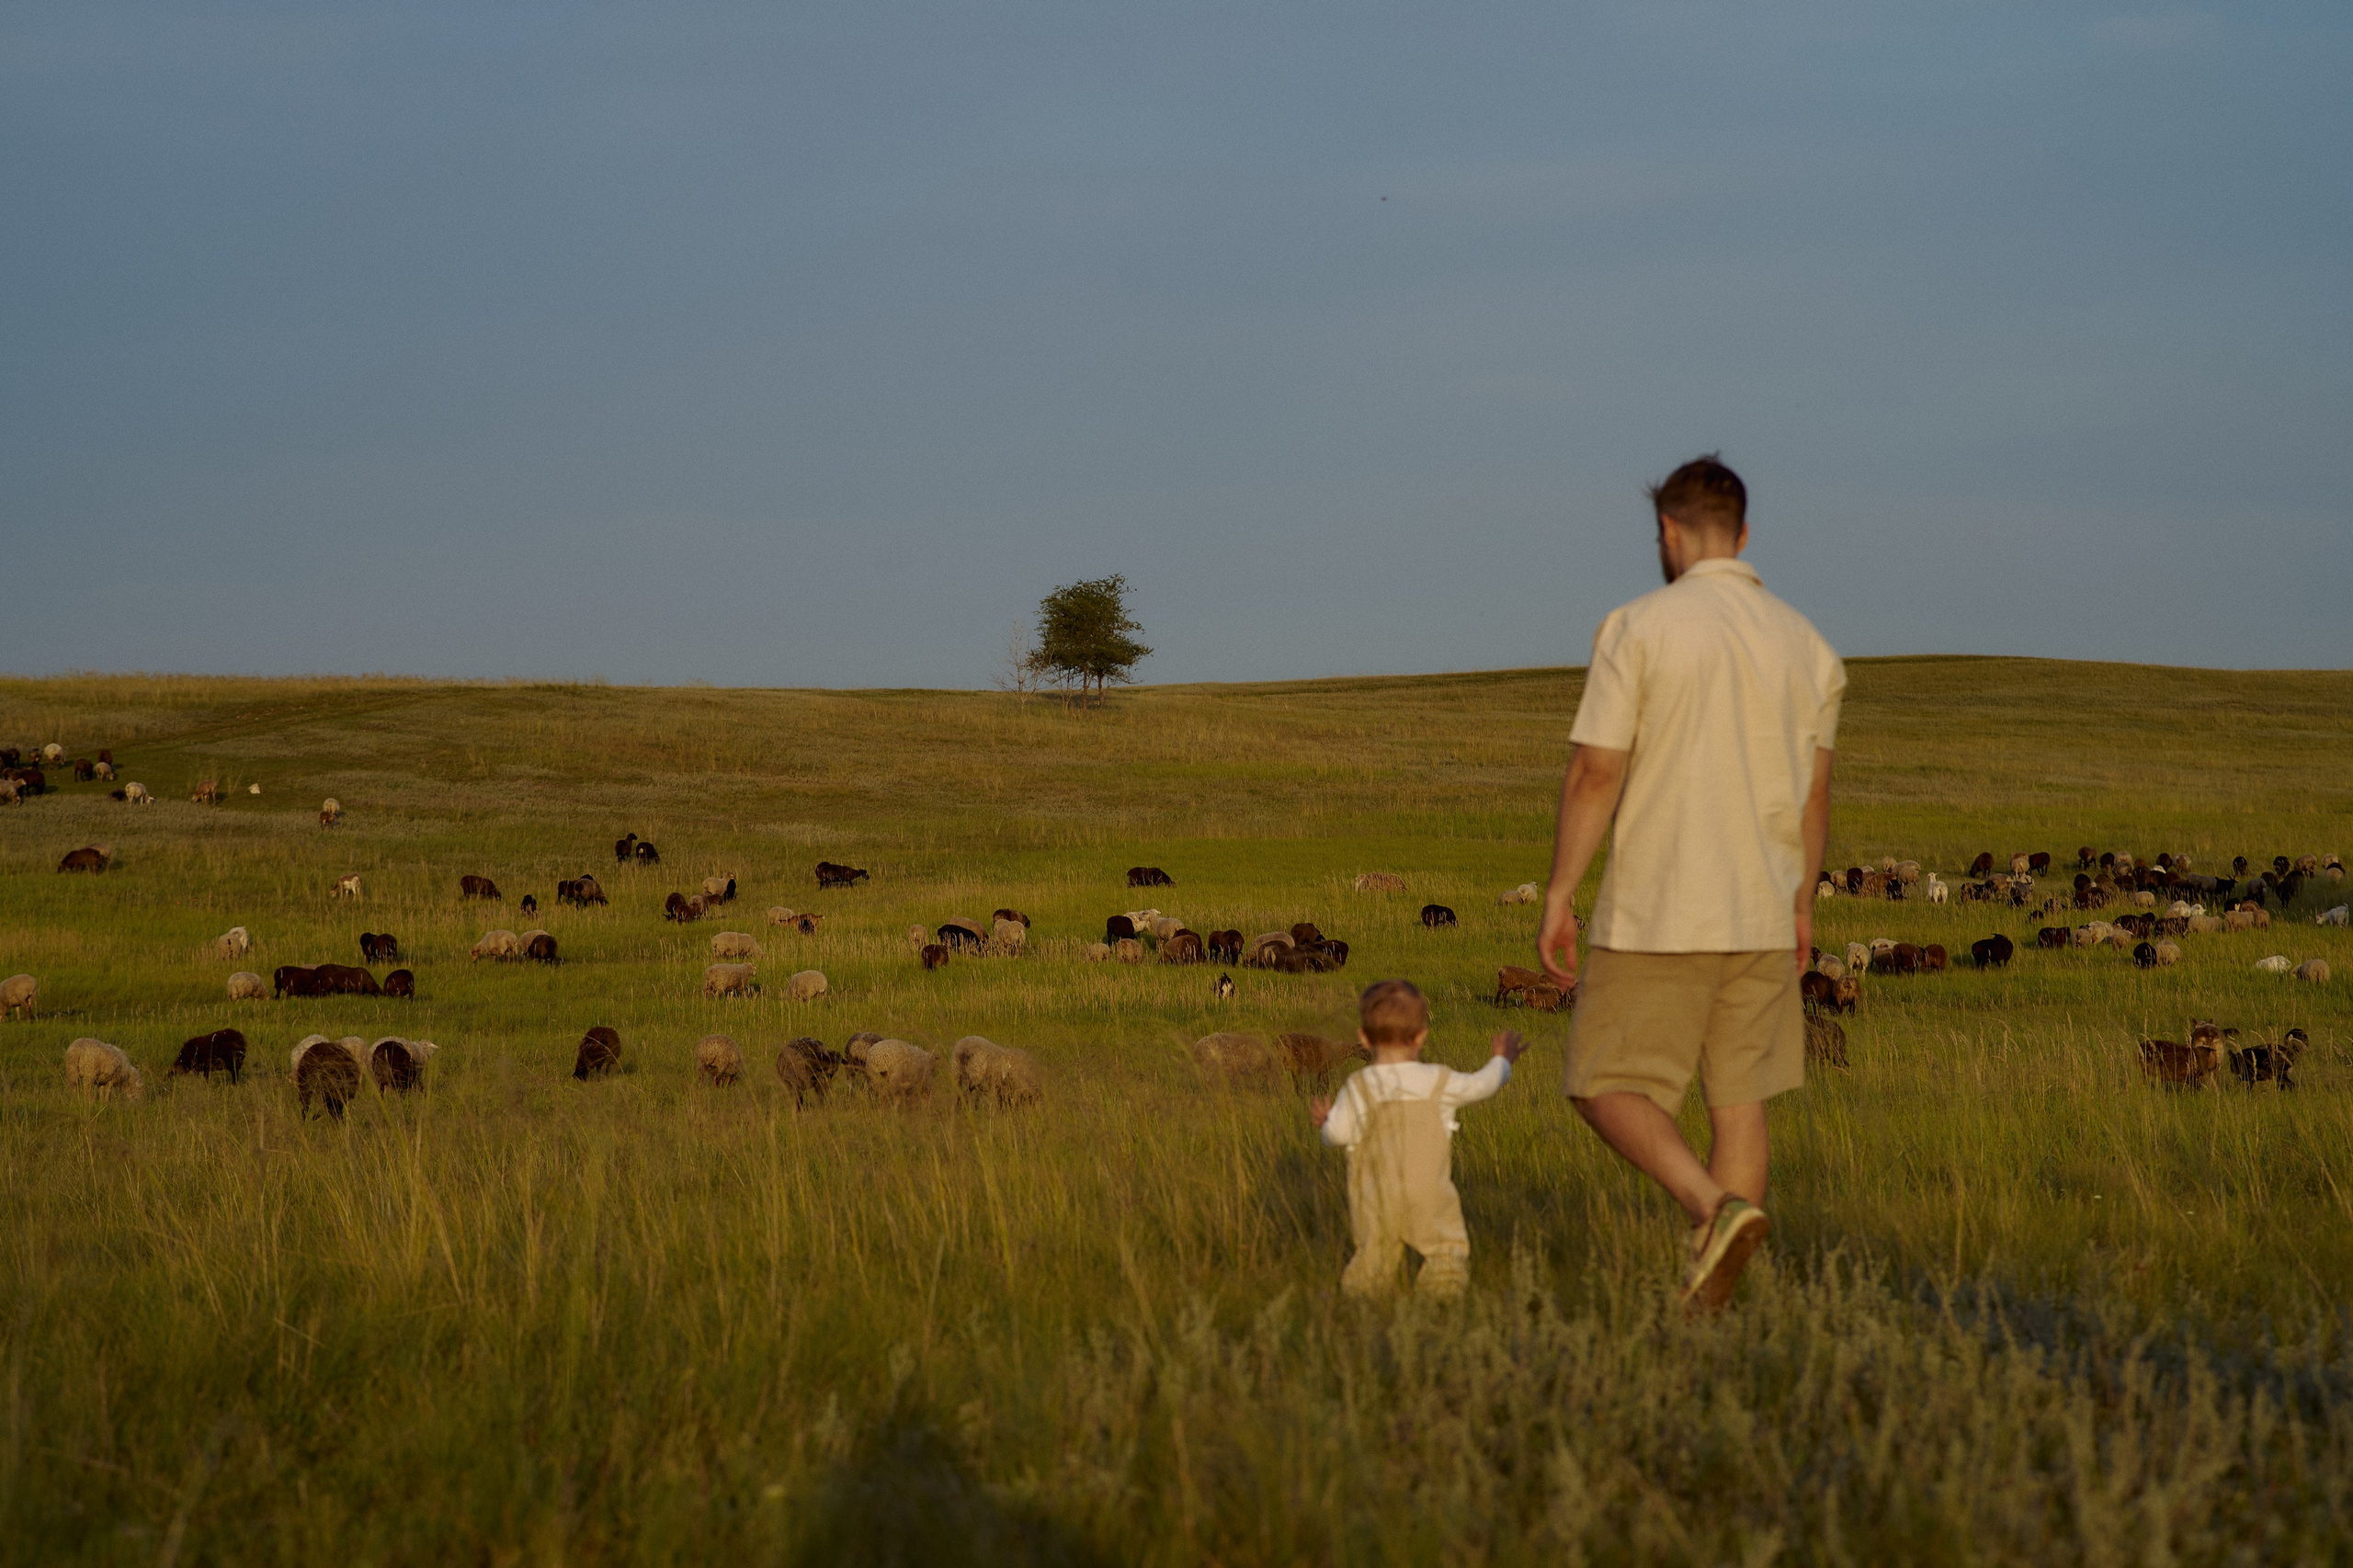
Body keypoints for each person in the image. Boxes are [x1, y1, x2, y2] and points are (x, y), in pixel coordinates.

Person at [1537, 454, 1843, 1312]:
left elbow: (1597, 771)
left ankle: (1715, 1210)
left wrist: (1561, 889)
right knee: (1738, 1102)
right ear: (1744, 536)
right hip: (1762, 907)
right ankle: (1716, 1299)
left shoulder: (1639, 626)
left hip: (1662, 905)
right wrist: (1802, 902)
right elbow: (1815, 793)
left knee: (1599, 1084)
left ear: (1668, 534)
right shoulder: (1808, 646)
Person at [1311, 979, 1526, 1298]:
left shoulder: (1359, 1086)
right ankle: (1440, 1302)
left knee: (1373, 1255)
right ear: (1421, 1036)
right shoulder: (1438, 1080)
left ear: (1364, 1038)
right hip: (1428, 1194)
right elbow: (1483, 1084)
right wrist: (1501, 1061)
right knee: (1445, 1250)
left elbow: (1338, 1134)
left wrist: (1327, 1122)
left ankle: (1359, 1306)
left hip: (1375, 1197)